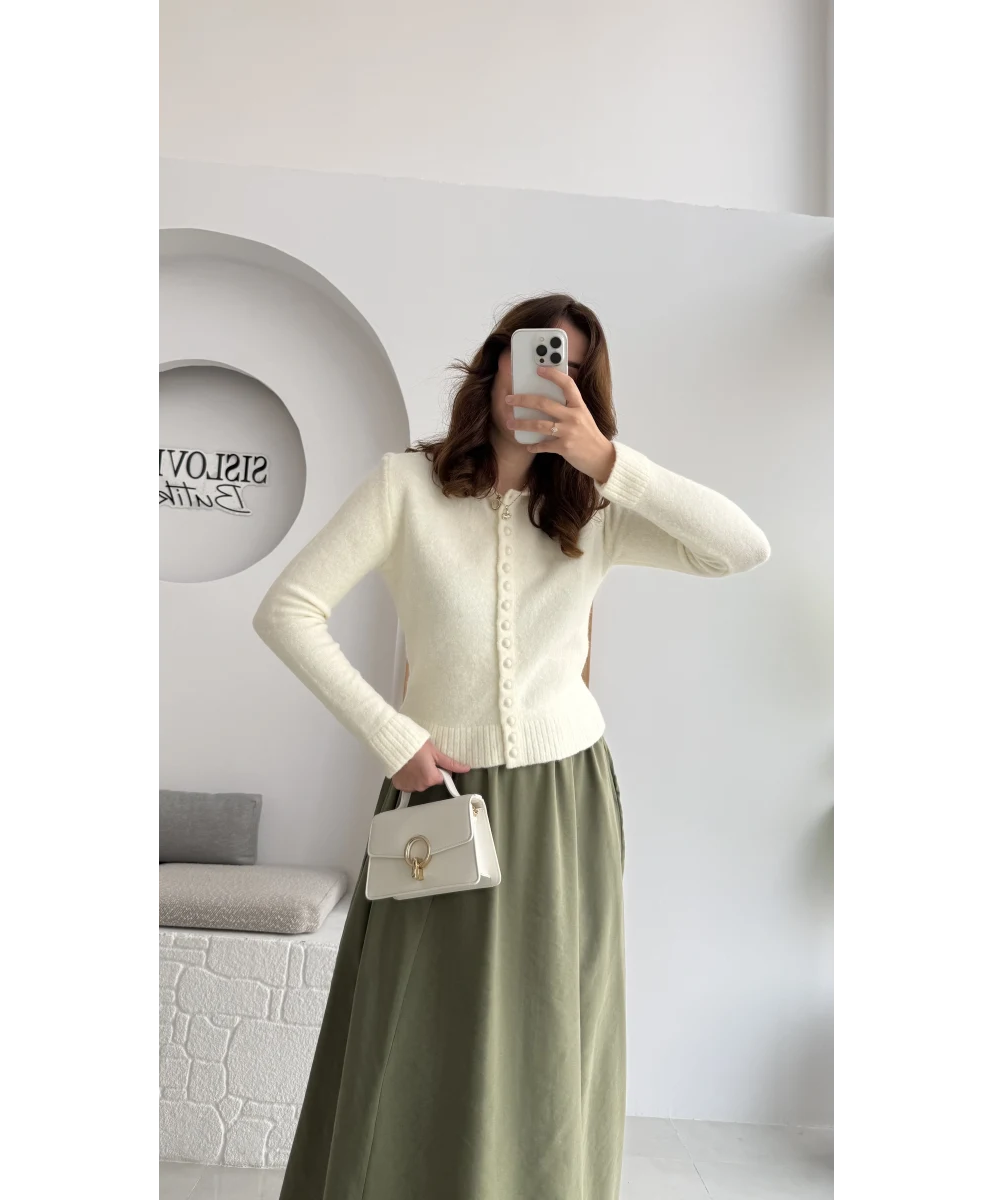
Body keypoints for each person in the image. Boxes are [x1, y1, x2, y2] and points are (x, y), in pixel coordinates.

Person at [251, 293, 771, 1200]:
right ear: (494, 364)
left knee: (550, 1034)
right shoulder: (404, 487)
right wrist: (393, 735)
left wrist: (607, 461)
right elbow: (287, 610)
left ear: (586, 394)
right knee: (414, 1028)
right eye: (533, 357)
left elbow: (742, 548)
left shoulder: (597, 508)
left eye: (569, 372)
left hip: (565, 804)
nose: (543, 382)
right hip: (436, 795)